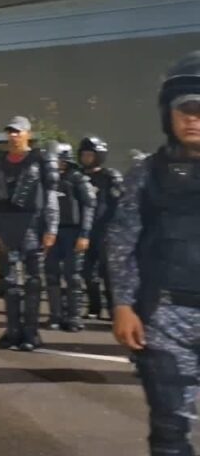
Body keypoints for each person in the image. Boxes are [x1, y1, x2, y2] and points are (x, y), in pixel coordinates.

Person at [110, 52, 200, 455]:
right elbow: (122, 241)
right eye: (185, 109)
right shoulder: (146, 174)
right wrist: (123, 305)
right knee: (169, 427)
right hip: (165, 316)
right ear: (169, 114)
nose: (193, 118)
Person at [0, 116, 59, 352]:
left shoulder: (40, 160)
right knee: (9, 282)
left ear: (28, 134)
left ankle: (31, 332)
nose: (13, 136)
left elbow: (50, 198)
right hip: (4, 226)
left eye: (18, 131)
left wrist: (51, 228)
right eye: (10, 132)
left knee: (33, 281)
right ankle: (13, 330)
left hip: (32, 225)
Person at [43, 142, 96, 332]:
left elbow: (89, 206)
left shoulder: (78, 179)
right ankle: (55, 316)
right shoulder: (47, 179)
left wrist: (84, 234)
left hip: (73, 233)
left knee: (72, 276)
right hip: (52, 233)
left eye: (56, 159)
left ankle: (74, 317)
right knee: (51, 275)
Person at [79, 135, 124, 321]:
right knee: (87, 272)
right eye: (84, 154)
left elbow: (122, 202)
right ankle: (94, 307)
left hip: (106, 231)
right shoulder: (78, 177)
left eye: (90, 154)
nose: (87, 158)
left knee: (108, 273)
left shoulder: (110, 177)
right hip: (84, 231)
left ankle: (114, 310)